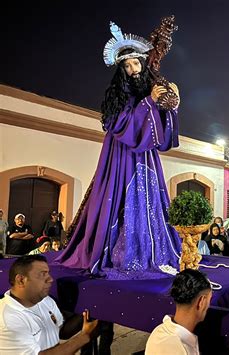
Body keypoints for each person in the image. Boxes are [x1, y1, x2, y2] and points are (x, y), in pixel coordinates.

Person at [57, 22, 182, 277]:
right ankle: (120, 251)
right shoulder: (120, 95)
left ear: (142, 63)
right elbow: (121, 125)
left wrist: (171, 104)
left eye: (135, 63)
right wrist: (150, 102)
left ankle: (153, 250)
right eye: (127, 66)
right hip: (122, 154)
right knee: (123, 200)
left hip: (146, 155)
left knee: (151, 199)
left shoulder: (149, 88)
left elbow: (160, 130)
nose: (132, 70)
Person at [0, 255, 99, 354]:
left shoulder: (45, 300)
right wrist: (84, 337)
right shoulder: (7, 319)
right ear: (21, 280)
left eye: (48, 273)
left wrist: (86, 315)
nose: (50, 279)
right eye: (43, 274)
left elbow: (61, 332)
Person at [145, 269, 212, 355]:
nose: (209, 306)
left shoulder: (157, 332)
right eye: (210, 299)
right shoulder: (184, 350)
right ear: (201, 302)